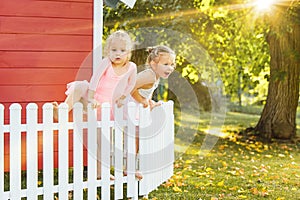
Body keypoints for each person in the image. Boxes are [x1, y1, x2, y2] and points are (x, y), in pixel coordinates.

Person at [52, 30, 137, 180]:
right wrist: (91, 98)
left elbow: (131, 84)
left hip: (108, 108)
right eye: (114, 50)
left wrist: (123, 97)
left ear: (128, 52)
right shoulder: (106, 63)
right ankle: (62, 111)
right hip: (94, 99)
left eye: (122, 50)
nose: (118, 53)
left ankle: (100, 172)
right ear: (108, 51)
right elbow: (95, 79)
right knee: (79, 87)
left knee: (102, 141)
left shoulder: (131, 67)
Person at [128, 45, 176, 180]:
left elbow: (145, 94)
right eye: (166, 64)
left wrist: (150, 103)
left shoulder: (155, 76)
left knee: (138, 137)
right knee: (136, 137)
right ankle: (129, 167)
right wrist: (142, 100)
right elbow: (130, 86)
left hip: (135, 107)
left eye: (172, 64)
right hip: (128, 105)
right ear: (153, 64)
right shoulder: (149, 75)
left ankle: (130, 167)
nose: (170, 68)